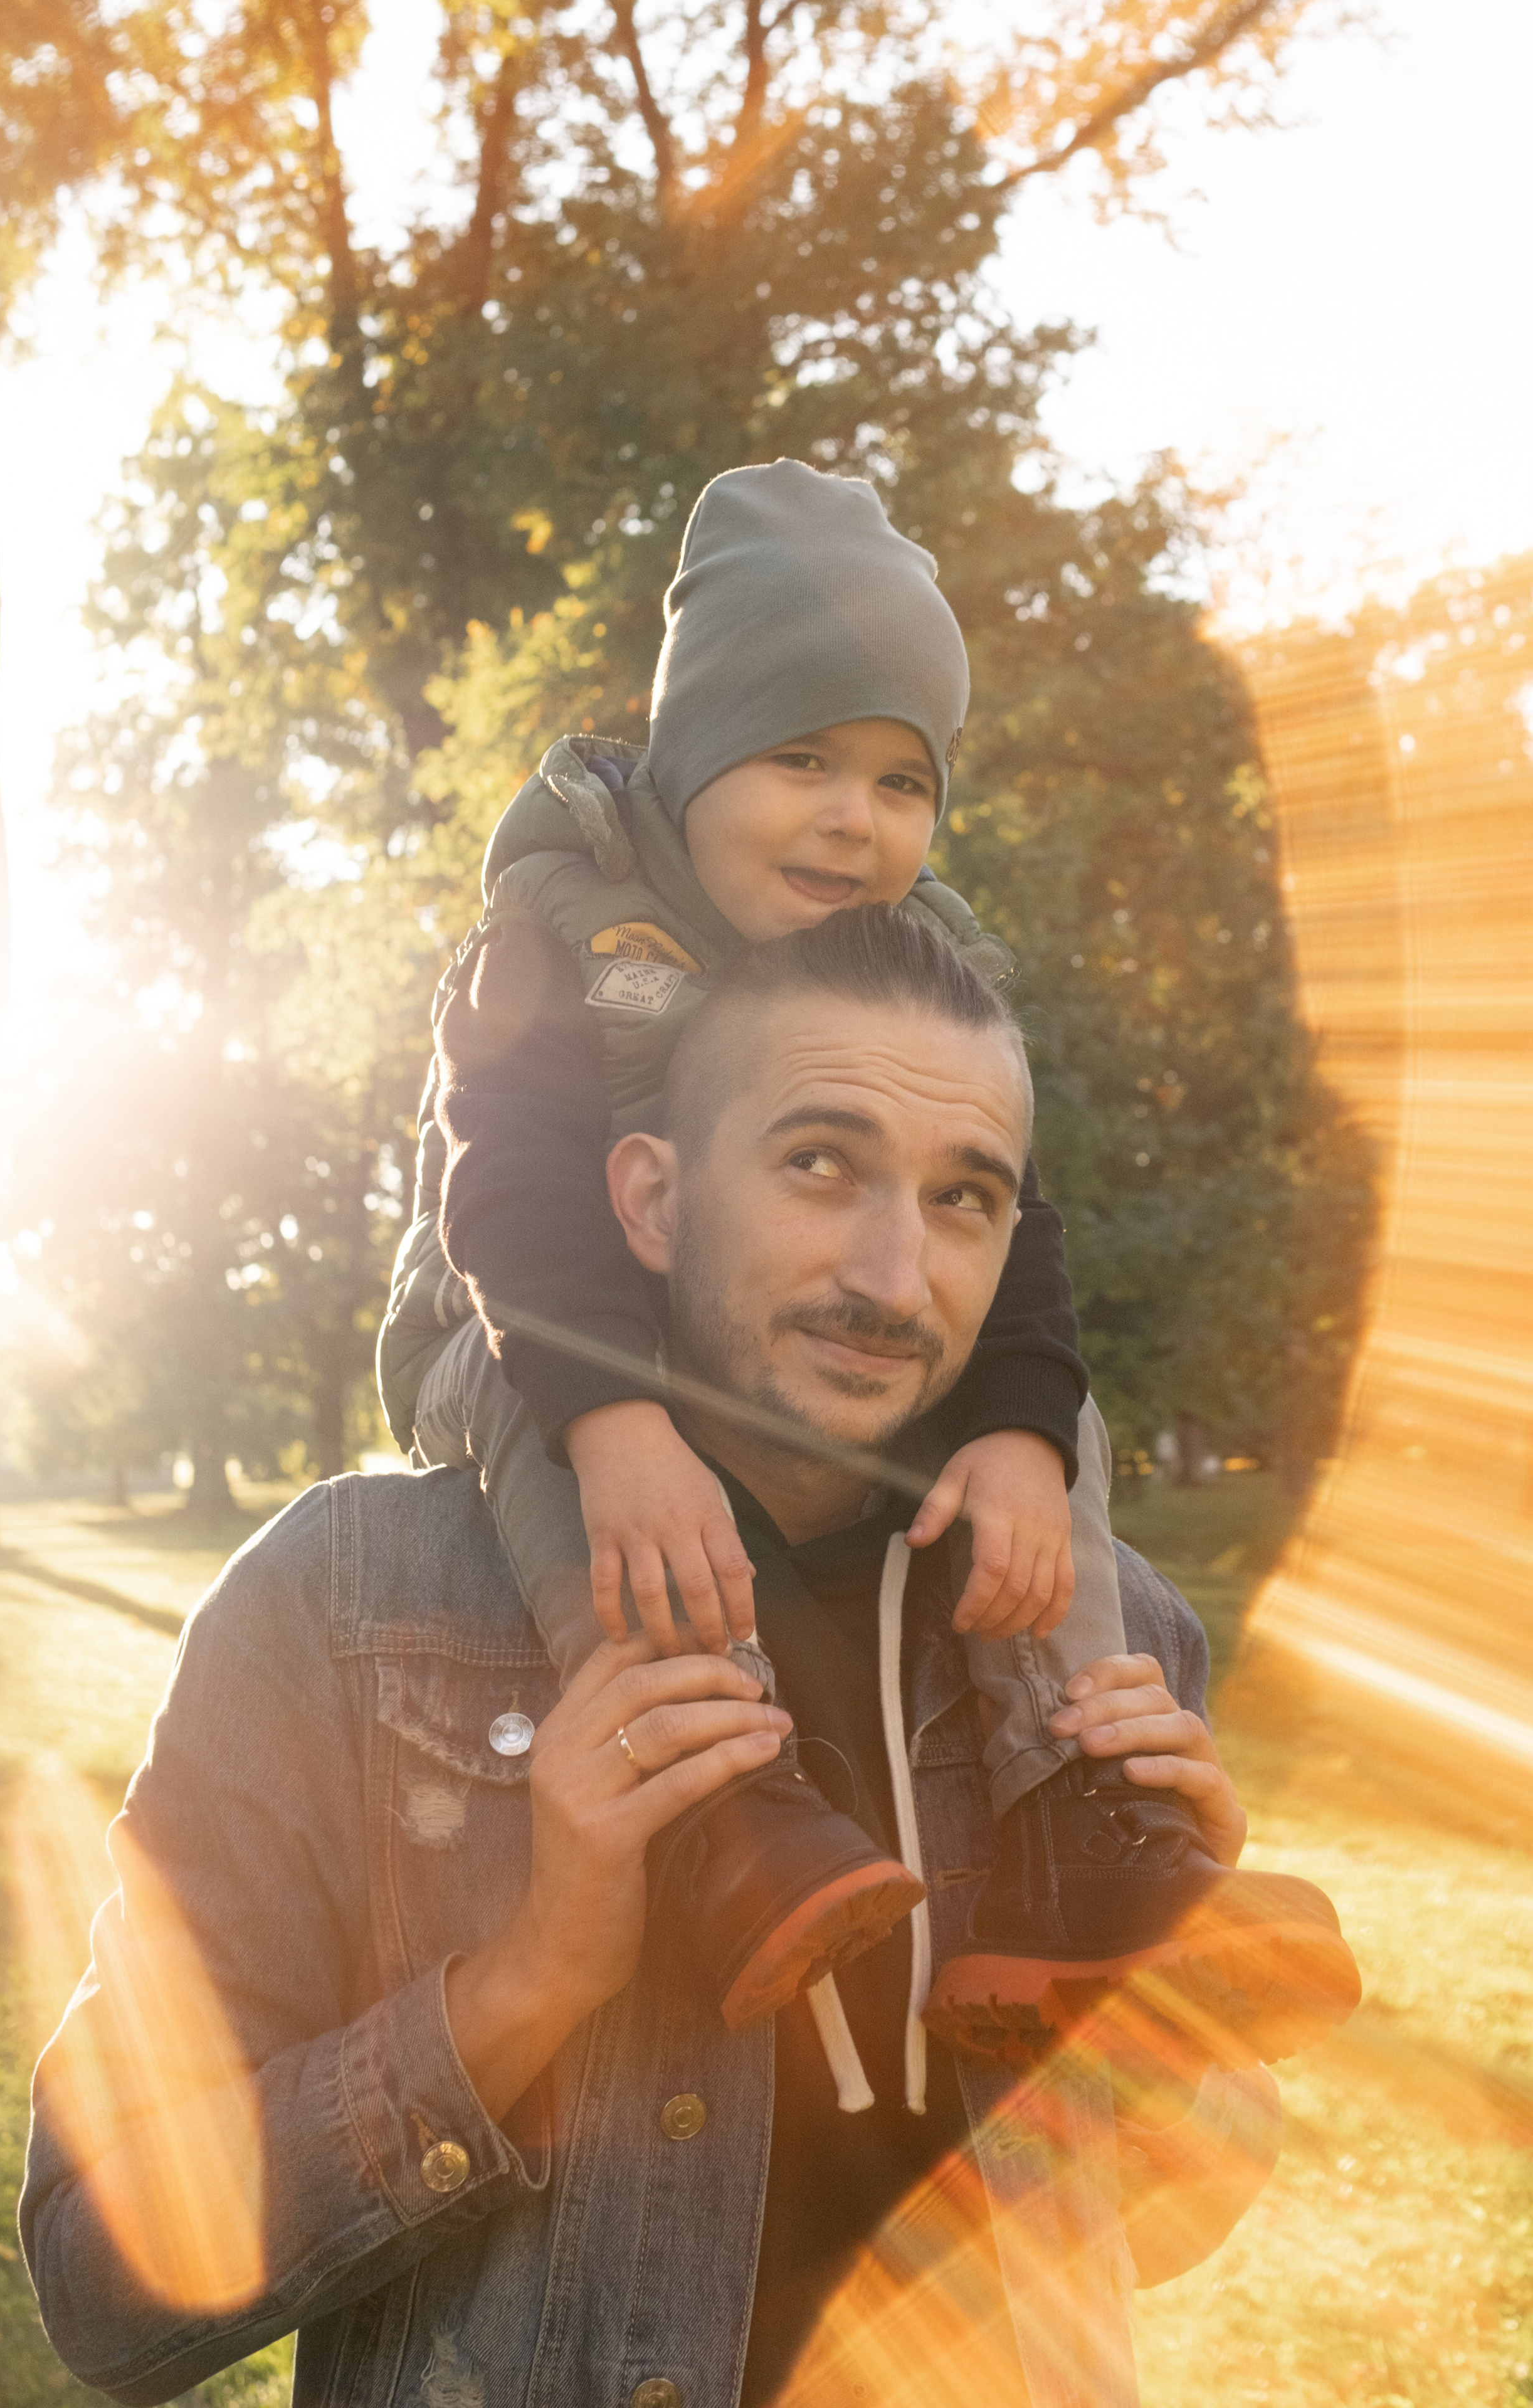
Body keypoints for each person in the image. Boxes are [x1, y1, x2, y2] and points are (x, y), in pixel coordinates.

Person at [23, 907, 1359, 2407]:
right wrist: (528, 1984)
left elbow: (1150, 2230)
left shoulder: (1100, 1630)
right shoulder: (343, 1608)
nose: (893, 1274)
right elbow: (100, 2281)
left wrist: (1163, 2001)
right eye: (820, 1165)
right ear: (649, 1202)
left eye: (964, 1198)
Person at [380, 459, 1147, 2051]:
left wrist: (1009, 1435)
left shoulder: (912, 981)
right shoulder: (567, 933)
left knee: (1046, 1412)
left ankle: (1079, 1813)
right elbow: (507, 1190)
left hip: (770, 1335)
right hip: (525, 1316)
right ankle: (728, 1803)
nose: (852, 818)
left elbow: (1016, 1225)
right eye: (799, 757)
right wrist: (621, 1425)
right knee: (547, 1426)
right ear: (690, 752)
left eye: (899, 782)